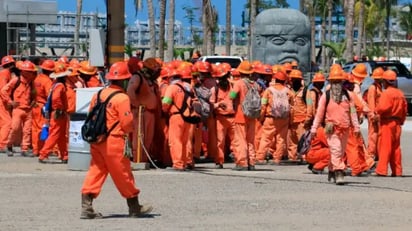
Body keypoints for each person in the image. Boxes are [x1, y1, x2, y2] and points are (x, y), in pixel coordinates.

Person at [81, 61, 152, 218]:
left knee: (96, 170)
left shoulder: (98, 94)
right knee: (123, 173)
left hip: (97, 140)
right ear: (124, 79)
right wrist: (130, 132)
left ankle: (86, 206)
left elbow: (91, 115)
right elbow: (126, 122)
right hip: (114, 141)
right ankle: (134, 207)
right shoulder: (122, 98)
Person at [310, 68, 360, 185]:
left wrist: (356, 127)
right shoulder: (325, 96)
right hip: (331, 129)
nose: (336, 84)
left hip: (345, 128)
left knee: (339, 152)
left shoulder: (349, 96)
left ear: (342, 82)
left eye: (339, 81)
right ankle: (339, 173)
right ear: (330, 83)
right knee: (336, 150)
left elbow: (353, 112)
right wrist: (314, 128)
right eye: (334, 81)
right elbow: (319, 114)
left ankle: (331, 171)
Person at [127, 57, 162, 165]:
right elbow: (130, 90)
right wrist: (136, 104)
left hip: (150, 112)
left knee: (148, 138)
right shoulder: (138, 77)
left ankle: (144, 159)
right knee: (139, 137)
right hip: (141, 112)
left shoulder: (149, 79)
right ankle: (138, 160)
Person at [256, 70, 293, 165]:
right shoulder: (289, 92)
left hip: (270, 118)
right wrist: (291, 121)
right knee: (281, 139)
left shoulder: (268, 90)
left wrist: (261, 118)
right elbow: (292, 108)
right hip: (284, 119)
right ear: (284, 80)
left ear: (275, 79)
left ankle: (260, 157)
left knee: (266, 138)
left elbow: (263, 105)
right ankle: (277, 159)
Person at [375, 70, 407, 177]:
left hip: (387, 123)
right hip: (397, 123)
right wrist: (401, 121)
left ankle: (381, 170)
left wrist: (377, 110)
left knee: (385, 147)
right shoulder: (400, 94)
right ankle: (397, 171)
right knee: (396, 148)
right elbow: (404, 110)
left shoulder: (387, 93)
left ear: (385, 81)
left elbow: (383, 107)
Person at [1, 61, 37, 157]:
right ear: (23, 72)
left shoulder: (31, 82)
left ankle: (24, 149)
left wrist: (33, 102)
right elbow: (3, 91)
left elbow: (33, 94)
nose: (31, 73)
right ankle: (9, 145)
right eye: (29, 71)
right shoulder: (15, 81)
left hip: (28, 109)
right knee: (15, 128)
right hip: (18, 109)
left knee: (27, 130)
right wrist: (10, 102)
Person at [162, 69, 192, 171]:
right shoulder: (188, 86)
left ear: (170, 78)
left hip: (176, 116)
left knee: (175, 141)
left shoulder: (172, 87)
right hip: (188, 117)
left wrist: (164, 110)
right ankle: (183, 162)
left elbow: (166, 102)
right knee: (184, 141)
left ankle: (178, 164)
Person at [38, 63, 69, 163]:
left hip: (57, 112)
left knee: (61, 136)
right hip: (58, 113)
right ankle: (43, 154)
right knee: (55, 134)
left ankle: (64, 155)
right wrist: (59, 109)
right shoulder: (60, 86)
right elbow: (56, 98)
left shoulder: (55, 84)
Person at [210, 64, 235, 169]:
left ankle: (239, 160)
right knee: (220, 141)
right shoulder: (214, 89)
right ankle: (219, 161)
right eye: (221, 77)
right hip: (220, 118)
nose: (223, 79)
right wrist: (218, 105)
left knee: (236, 141)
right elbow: (211, 103)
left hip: (233, 117)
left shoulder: (234, 86)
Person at [32, 59, 54, 157]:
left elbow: (32, 92)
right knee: (43, 128)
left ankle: (36, 150)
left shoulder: (36, 79)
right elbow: (49, 95)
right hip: (43, 107)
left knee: (35, 128)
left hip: (36, 105)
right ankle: (41, 149)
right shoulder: (47, 81)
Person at [288, 69, 306, 162]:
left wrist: (308, 118)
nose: (295, 81)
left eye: (297, 79)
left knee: (302, 140)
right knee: (291, 142)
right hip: (291, 120)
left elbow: (310, 105)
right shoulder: (288, 91)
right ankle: (292, 157)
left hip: (301, 120)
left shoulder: (305, 92)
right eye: (293, 79)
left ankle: (304, 157)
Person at [367, 67, 384, 161]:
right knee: (373, 136)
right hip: (374, 115)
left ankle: (376, 153)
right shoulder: (372, 88)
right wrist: (372, 115)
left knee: (378, 135)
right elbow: (371, 102)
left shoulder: (379, 87)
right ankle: (371, 154)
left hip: (378, 116)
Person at [0, 56, 16, 152]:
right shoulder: (5, 73)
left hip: (3, 101)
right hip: (2, 101)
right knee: (7, 122)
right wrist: (9, 101)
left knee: (3, 123)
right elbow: (2, 90)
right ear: (10, 65)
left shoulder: (5, 73)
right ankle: (2, 144)